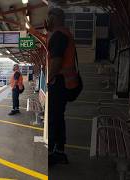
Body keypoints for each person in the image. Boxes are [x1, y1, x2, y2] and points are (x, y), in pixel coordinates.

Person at [45, 8, 80, 166]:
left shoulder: (58, 36)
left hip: (59, 83)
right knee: (59, 117)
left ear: (57, 18)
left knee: (53, 118)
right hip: (66, 83)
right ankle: (59, 150)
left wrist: (49, 79)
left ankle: (52, 153)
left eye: (50, 16)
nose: (48, 19)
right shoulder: (63, 33)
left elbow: (57, 61)